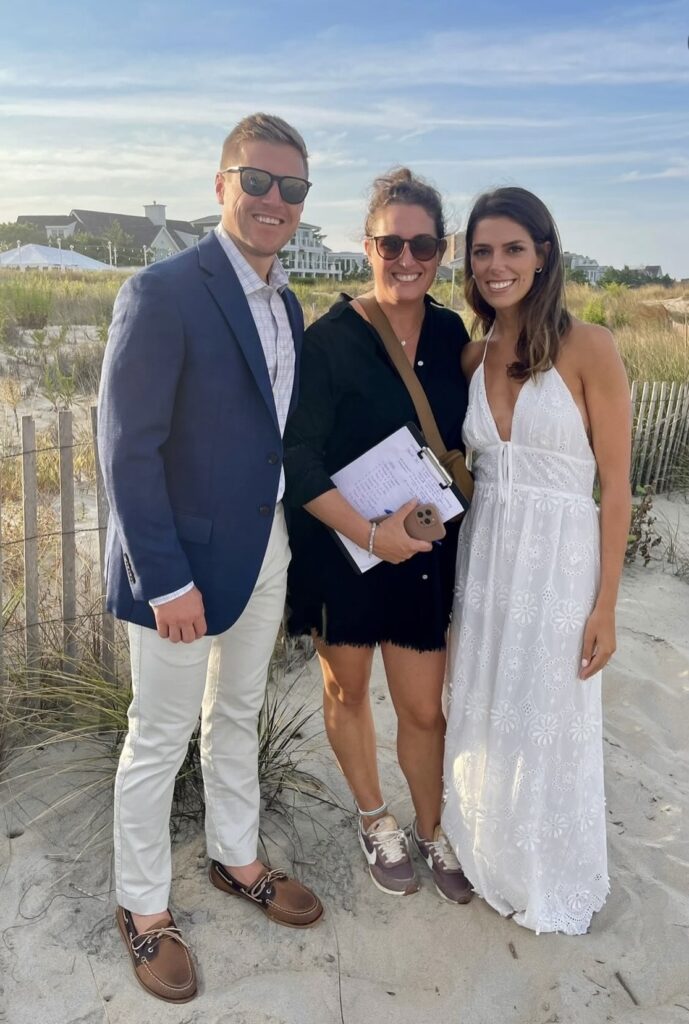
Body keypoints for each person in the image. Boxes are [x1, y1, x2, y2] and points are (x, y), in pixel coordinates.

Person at [98, 112, 324, 1005]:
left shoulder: (288, 303)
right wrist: (166, 580)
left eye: (291, 187)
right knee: (156, 737)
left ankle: (236, 858)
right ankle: (143, 908)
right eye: (257, 181)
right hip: (180, 566)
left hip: (264, 547)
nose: (274, 200)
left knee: (237, 710)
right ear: (221, 185)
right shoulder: (161, 291)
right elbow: (126, 450)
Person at [442, 186, 632, 935]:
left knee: (549, 711)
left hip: (560, 562)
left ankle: (546, 867)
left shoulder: (590, 346)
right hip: (487, 558)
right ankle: (484, 847)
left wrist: (606, 604)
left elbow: (615, 487)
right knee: (486, 698)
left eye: (513, 249)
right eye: (482, 252)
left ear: (543, 255)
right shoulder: (471, 355)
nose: (496, 265)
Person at [284, 168, 473, 904]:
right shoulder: (329, 340)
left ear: (441, 250)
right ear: (367, 246)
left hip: (422, 552)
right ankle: (375, 818)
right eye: (391, 244)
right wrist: (369, 533)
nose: (406, 259)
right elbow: (298, 457)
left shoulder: (452, 333)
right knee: (349, 687)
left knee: (424, 707)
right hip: (343, 549)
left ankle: (431, 826)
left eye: (422, 245)